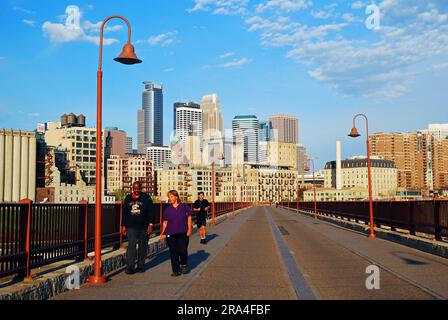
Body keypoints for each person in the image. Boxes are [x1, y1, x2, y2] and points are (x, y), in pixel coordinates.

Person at [121, 181, 155, 275]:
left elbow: (151, 212)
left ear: (141, 188)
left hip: (144, 226)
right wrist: (123, 225)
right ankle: (130, 267)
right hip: (131, 226)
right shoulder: (128, 198)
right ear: (132, 188)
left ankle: (140, 266)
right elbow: (125, 213)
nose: (136, 190)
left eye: (138, 188)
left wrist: (151, 224)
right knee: (131, 246)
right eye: (134, 188)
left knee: (142, 247)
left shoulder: (146, 198)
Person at [160, 190, 193, 277]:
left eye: (171, 197)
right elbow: (165, 222)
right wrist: (162, 234)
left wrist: (189, 229)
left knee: (183, 250)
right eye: (169, 197)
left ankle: (184, 264)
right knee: (173, 252)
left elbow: (189, 218)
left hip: (183, 232)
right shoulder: (168, 209)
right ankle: (176, 270)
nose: (170, 199)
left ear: (176, 197)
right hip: (170, 234)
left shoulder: (185, 207)